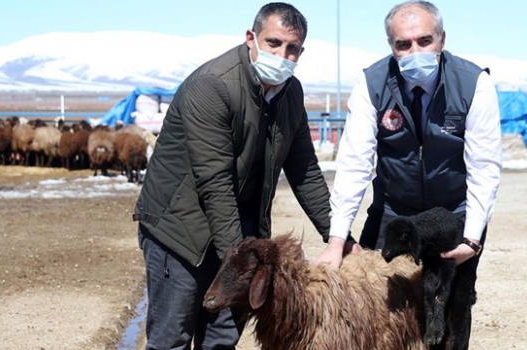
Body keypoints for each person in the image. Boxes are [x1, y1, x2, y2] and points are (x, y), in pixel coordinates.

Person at [134, 3, 358, 349]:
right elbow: (215, 181)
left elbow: (306, 173)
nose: (282, 55)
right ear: (251, 38)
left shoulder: (291, 94)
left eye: (292, 49)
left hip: (238, 233)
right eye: (273, 43)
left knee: (222, 339)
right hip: (180, 233)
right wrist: (239, 262)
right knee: (171, 338)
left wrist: (339, 237)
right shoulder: (213, 86)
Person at [312, 1, 502, 349]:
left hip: (452, 217)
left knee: (448, 310)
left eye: (424, 40)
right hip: (393, 213)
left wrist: (471, 240)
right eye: (403, 44)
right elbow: (354, 163)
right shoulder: (371, 83)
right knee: (374, 307)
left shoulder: (475, 83)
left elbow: (484, 168)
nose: (415, 51)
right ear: (392, 46)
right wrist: (337, 241)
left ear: (442, 39)